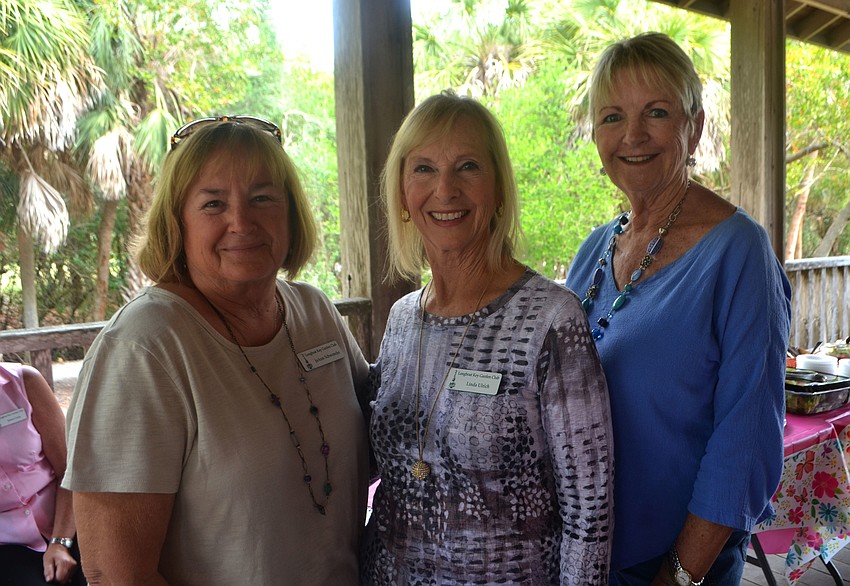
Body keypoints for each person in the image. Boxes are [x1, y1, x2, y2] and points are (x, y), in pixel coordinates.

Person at [62, 116, 370, 584]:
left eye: (263, 198)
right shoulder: (145, 347)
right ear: (177, 223)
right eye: (213, 203)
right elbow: (118, 574)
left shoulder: (314, 312)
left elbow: (385, 435)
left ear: (289, 213)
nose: (241, 222)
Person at [565, 33, 791, 585]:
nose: (633, 135)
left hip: (676, 569)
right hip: (581, 559)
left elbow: (746, 444)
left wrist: (679, 576)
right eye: (612, 117)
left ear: (695, 127)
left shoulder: (739, 251)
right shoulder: (595, 249)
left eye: (657, 112)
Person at [360, 91, 614, 585]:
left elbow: (590, 516)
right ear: (402, 195)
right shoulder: (401, 320)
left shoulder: (551, 319)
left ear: (498, 189)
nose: (445, 189)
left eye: (468, 166)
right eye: (424, 169)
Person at [0, 362, 84, 586]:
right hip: (8, 547)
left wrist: (60, 542)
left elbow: (69, 469)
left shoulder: (24, 382)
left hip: (68, 520)